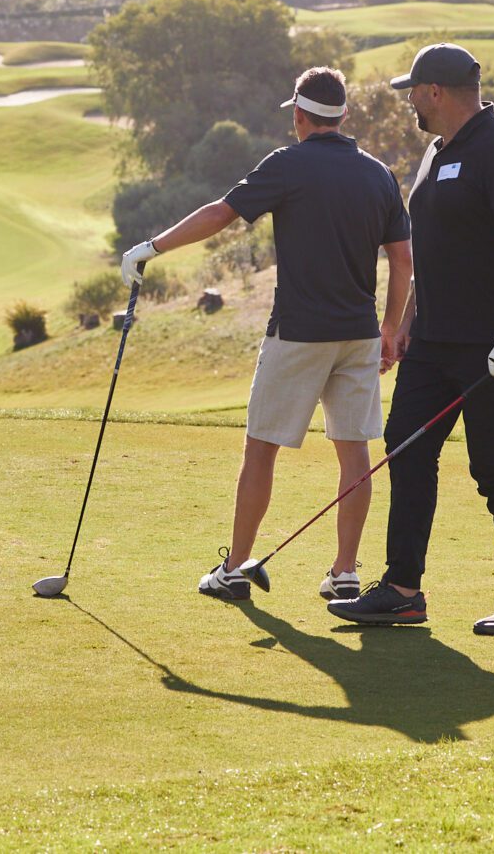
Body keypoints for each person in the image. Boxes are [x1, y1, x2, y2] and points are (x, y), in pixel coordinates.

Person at [120, 67, 412, 604]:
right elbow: (403, 260)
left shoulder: (287, 164)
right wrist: (390, 327)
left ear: (300, 116)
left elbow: (221, 214)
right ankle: (345, 572)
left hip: (298, 333)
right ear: (343, 115)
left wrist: (152, 248)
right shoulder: (379, 174)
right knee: (355, 454)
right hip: (359, 335)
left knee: (260, 450)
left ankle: (234, 570)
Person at [328, 43, 494, 636]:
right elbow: (437, 251)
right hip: (433, 341)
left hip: (490, 346)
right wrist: (408, 322)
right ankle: (403, 590)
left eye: (413, 92)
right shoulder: (438, 152)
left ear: (435, 92)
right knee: (406, 449)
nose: (409, 102)